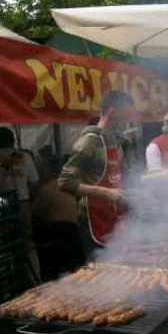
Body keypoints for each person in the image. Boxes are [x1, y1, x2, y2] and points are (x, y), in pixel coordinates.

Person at [58, 91, 136, 259]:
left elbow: (118, 176)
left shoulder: (115, 140)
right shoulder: (89, 141)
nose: (128, 119)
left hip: (113, 215)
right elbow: (65, 181)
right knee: (100, 272)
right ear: (113, 112)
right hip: (93, 219)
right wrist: (105, 193)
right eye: (126, 114)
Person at [0, 127, 41, 280]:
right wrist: (29, 201)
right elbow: (35, 183)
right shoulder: (25, 156)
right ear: (13, 140)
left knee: (3, 243)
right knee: (27, 243)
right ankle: (34, 279)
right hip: (22, 204)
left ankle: (8, 278)